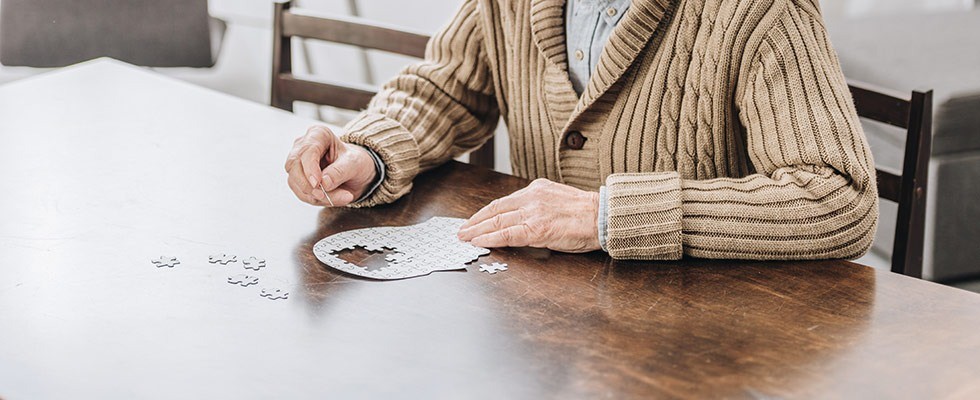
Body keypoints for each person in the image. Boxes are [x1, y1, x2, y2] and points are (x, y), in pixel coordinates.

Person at [284, 0, 879, 261]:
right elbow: (446, 88)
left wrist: (604, 217)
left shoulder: (763, 9)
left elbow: (838, 197)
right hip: (547, 330)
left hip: (701, 350)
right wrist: (369, 150)